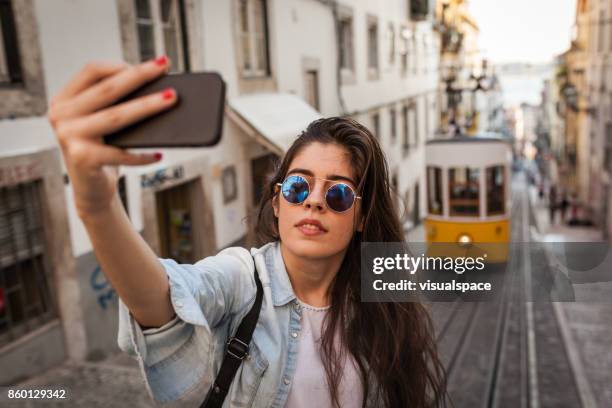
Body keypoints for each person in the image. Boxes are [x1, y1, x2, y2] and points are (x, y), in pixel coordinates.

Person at [47, 57, 448, 407]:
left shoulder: (384, 298)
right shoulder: (242, 278)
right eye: (297, 187)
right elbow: (166, 297)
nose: (313, 202)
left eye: (339, 193)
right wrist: (97, 206)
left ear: (361, 216)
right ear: (277, 203)